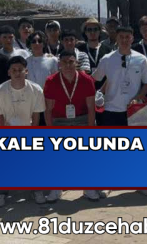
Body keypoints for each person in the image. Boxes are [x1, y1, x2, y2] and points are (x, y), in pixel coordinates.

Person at [0, 56, 46, 206]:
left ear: (26, 71)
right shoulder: (0, 90)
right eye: (13, 70)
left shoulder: (36, 89)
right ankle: (1, 192)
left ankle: (36, 190)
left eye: (20, 70)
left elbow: (36, 116)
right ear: (9, 72)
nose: (17, 73)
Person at [43, 50, 99, 201]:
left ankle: (89, 188)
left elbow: (91, 108)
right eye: (64, 62)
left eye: (71, 62)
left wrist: (91, 130)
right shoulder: (51, 81)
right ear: (59, 64)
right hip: (60, 121)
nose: (68, 65)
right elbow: (48, 109)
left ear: (76, 63)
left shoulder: (87, 80)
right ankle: (56, 189)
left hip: (82, 120)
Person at [92, 26, 147, 126]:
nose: (124, 40)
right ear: (116, 38)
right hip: (110, 109)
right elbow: (93, 79)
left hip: (133, 109)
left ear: (132, 38)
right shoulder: (107, 59)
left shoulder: (141, 59)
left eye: (127, 37)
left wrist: (138, 98)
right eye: (121, 37)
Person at [78, 18, 111, 89]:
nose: (92, 32)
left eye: (95, 29)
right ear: (85, 32)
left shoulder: (108, 50)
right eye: (89, 30)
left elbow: (111, 73)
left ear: (100, 31)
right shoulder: (79, 50)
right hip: (84, 89)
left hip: (103, 91)